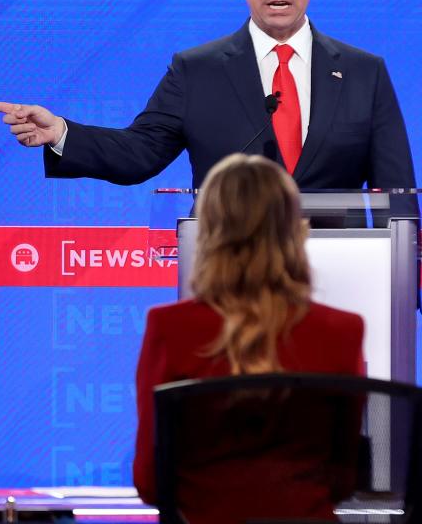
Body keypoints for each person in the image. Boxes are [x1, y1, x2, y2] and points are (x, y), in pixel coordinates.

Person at [0, 0, 415, 191]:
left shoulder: (364, 73)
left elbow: (397, 194)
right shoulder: (196, 71)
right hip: (230, 282)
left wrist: (406, 289)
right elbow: (139, 153)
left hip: (340, 285)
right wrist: (60, 131)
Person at [133, 154, 365, 522]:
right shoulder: (343, 330)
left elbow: (149, 482)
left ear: (209, 232)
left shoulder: (169, 327)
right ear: (294, 230)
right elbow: (343, 479)